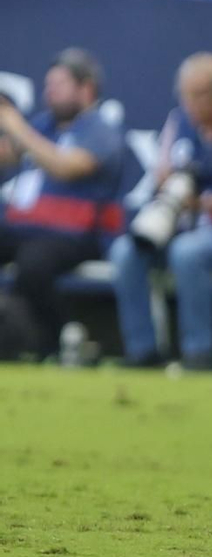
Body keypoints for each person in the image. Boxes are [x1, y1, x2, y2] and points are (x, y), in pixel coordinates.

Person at [110, 54, 212, 372]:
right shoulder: (179, 121)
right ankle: (142, 350)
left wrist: (203, 203)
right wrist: (172, 185)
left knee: (188, 253)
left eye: (200, 96)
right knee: (125, 251)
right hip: (177, 224)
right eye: (186, 96)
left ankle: (198, 352)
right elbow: (161, 174)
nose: (192, 105)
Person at [0, 51, 123, 359]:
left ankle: (64, 337)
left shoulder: (99, 130)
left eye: (59, 84)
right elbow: (7, 154)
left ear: (86, 88)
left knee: (33, 264)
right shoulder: (45, 125)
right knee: (27, 253)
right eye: (48, 84)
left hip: (75, 234)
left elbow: (66, 167)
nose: (50, 91)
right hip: (26, 228)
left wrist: (16, 125)